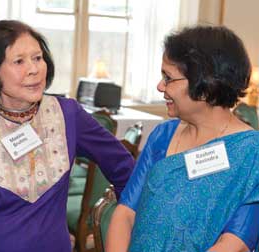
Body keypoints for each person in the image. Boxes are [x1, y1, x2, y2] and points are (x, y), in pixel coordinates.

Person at [0, 20, 135, 252]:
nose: (34, 69)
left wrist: (125, 220)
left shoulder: (67, 114)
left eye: (38, 58)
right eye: (19, 61)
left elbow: (124, 166)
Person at [106, 25, 259, 252]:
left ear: (206, 85)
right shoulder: (162, 136)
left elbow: (235, 243)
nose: (160, 86)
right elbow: (126, 212)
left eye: (168, 78)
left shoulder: (251, 153)